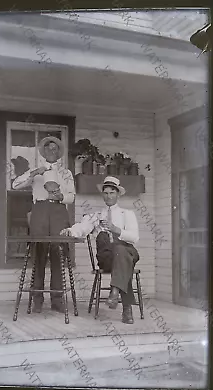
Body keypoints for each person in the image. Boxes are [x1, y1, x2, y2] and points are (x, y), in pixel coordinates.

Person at [60, 176, 139, 324]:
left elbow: (134, 238)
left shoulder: (127, 214)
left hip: (127, 252)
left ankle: (115, 291)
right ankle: (124, 306)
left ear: (118, 194)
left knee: (122, 252)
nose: (109, 196)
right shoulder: (97, 216)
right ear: (103, 195)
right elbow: (82, 228)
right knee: (112, 247)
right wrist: (70, 231)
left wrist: (116, 230)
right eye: (106, 193)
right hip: (108, 258)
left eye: (112, 193)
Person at [12, 136, 75, 313]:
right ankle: (37, 299)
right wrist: (33, 173)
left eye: (55, 149)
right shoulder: (36, 170)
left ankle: (57, 299)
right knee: (39, 253)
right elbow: (15, 185)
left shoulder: (66, 173)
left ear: (59, 152)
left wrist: (61, 196)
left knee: (57, 253)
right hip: (39, 210)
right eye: (48, 148)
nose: (52, 151)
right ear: (43, 151)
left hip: (58, 211)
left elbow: (72, 196)